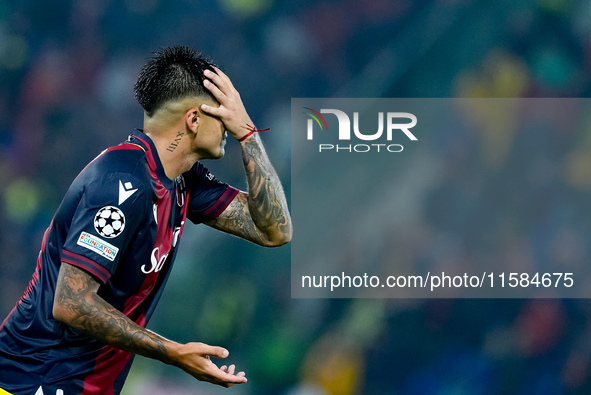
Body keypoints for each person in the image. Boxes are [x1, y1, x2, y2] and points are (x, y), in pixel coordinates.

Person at [0, 46, 292, 395]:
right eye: (224, 115)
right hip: (31, 380)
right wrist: (174, 353)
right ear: (194, 119)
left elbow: (275, 230)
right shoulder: (121, 182)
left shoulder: (184, 180)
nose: (229, 124)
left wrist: (248, 133)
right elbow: (71, 302)